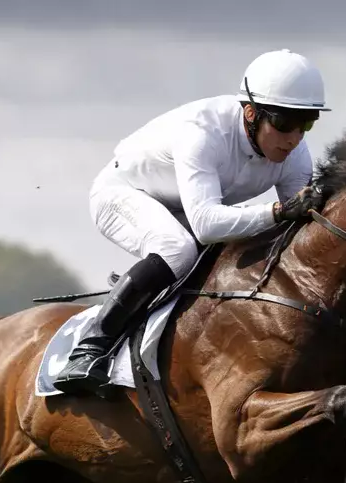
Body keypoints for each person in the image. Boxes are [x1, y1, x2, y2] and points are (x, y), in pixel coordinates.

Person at [53, 49, 330, 398]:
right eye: (284, 123)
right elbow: (206, 225)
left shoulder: (294, 155)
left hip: (186, 208)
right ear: (250, 113)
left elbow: (298, 225)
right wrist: (277, 210)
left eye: (305, 123)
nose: (293, 138)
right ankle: (89, 349)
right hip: (124, 193)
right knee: (177, 248)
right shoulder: (203, 132)